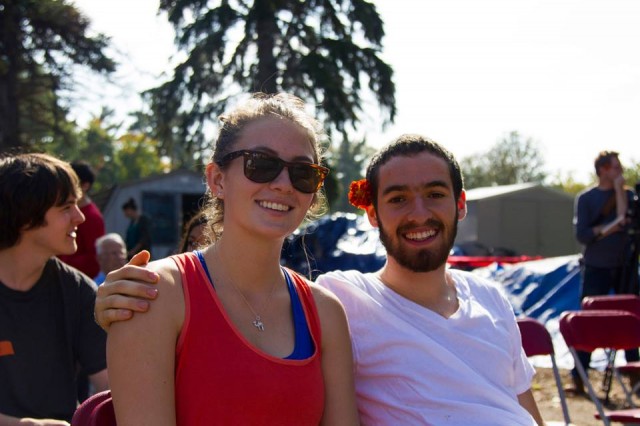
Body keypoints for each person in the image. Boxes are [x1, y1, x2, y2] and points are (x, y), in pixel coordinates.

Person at [95, 134, 544, 425]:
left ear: (460, 205)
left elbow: (526, 412)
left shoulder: (493, 298)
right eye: (399, 198)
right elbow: (248, 291)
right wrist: (109, 297)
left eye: (435, 195)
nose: (419, 213)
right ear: (371, 213)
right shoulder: (340, 300)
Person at [102, 93, 358, 425]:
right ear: (217, 180)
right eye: (261, 164)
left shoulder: (325, 312)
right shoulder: (152, 293)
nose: (283, 184)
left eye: (303, 172)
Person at [0, 153, 108, 425]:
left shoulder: (78, 290)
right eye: (66, 207)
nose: (80, 217)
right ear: (25, 216)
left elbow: (112, 388)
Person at [570, 150, 638, 394]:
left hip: (624, 265)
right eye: (615, 167)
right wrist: (608, 228)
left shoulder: (628, 195)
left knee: (631, 321)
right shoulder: (587, 198)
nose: (620, 171)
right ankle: (579, 375)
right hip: (596, 266)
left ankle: (634, 376)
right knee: (588, 320)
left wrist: (620, 191)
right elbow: (584, 235)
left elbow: (626, 221)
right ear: (603, 170)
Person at [58, 161, 105, 278]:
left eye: (71, 182)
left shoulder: (92, 217)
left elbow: (94, 259)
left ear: (85, 186)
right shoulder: (65, 210)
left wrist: (60, 264)